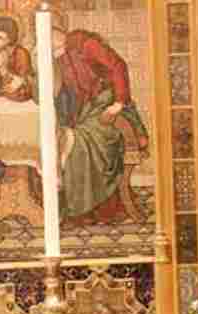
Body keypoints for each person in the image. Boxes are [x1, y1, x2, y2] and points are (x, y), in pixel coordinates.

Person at [50, 16, 148, 224]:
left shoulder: (85, 44)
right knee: (65, 138)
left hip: (109, 104)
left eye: (51, 33)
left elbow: (118, 66)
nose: (48, 38)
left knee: (79, 142)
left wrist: (118, 104)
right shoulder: (55, 57)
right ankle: (82, 207)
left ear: (58, 30)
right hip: (88, 111)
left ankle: (88, 209)